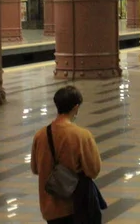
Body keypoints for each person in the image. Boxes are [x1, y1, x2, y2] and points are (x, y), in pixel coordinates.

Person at [31, 86, 102, 224]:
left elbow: (35, 169)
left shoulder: (40, 135)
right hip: (75, 206)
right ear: (76, 108)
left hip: (50, 208)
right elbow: (94, 170)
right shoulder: (82, 135)